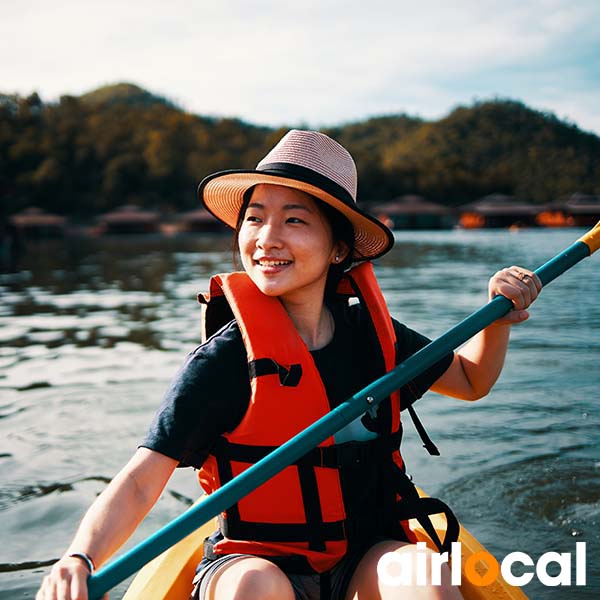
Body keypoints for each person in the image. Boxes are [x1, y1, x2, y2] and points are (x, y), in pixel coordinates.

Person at [37, 130, 541, 600]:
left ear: (338, 247)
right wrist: (80, 555)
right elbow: (143, 479)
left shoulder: (374, 339)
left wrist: (497, 319)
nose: (266, 238)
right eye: (254, 217)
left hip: (365, 552)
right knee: (255, 587)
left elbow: (472, 380)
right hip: (252, 559)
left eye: (294, 220)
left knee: (424, 579)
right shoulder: (224, 361)